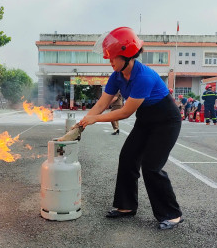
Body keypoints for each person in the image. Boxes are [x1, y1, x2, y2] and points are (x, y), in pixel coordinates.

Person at [78, 27, 183, 230]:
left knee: (151, 166)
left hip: (166, 120)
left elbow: (125, 112)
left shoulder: (144, 76)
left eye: (113, 58)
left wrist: (95, 120)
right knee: (127, 157)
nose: (110, 61)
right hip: (146, 119)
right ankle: (126, 206)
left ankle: (172, 214)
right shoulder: (117, 75)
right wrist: (85, 119)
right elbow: (102, 103)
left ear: (127, 56)